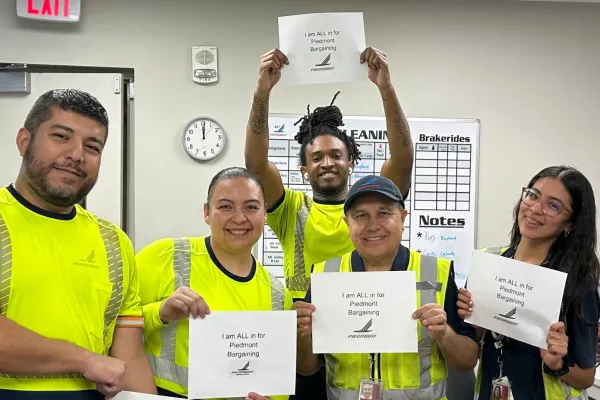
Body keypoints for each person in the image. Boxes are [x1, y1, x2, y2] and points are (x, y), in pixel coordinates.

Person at [0, 89, 157, 399]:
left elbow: (130, 359)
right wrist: (84, 360)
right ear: (23, 140)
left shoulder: (114, 242)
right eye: (61, 136)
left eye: (92, 146)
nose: (76, 155)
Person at [244, 47, 414, 302]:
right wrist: (262, 92)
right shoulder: (290, 209)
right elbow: (256, 164)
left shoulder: (371, 204)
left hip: (365, 309)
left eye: (336, 155)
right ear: (304, 170)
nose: (327, 163)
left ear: (351, 163)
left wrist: (385, 88)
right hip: (305, 324)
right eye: (316, 158)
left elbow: (403, 159)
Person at [294, 175, 479, 399]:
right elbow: (308, 368)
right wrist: (302, 335)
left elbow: (467, 360)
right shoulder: (325, 275)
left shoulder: (436, 272)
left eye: (384, 213)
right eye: (361, 216)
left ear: (402, 218)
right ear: (347, 223)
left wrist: (444, 334)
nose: (373, 225)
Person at [136, 167, 293, 400]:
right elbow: (110, 330)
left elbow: (276, 385)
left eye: (251, 207)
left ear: (265, 214)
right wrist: (159, 312)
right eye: (226, 206)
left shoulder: (279, 295)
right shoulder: (164, 256)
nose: (239, 218)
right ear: (207, 213)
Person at [457, 166, 600, 399]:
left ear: (570, 224)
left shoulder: (578, 282)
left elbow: (585, 377)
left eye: (553, 205)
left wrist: (557, 363)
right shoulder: (490, 263)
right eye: (533, 195)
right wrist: (473, 322)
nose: (535, 208)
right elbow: (471, 348)